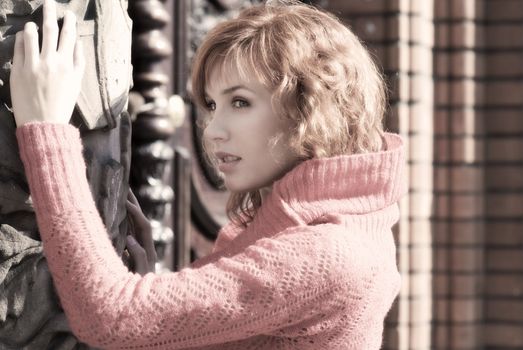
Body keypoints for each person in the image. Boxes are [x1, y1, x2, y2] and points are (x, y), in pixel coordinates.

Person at [10, 0, 406, 349]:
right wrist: (155, 300)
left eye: (240, 101)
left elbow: (109, 316)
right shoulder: (340, 227)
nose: (213, 130)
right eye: (213, 105)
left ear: (310, 109)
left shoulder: (328, 253)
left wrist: (47, 131)